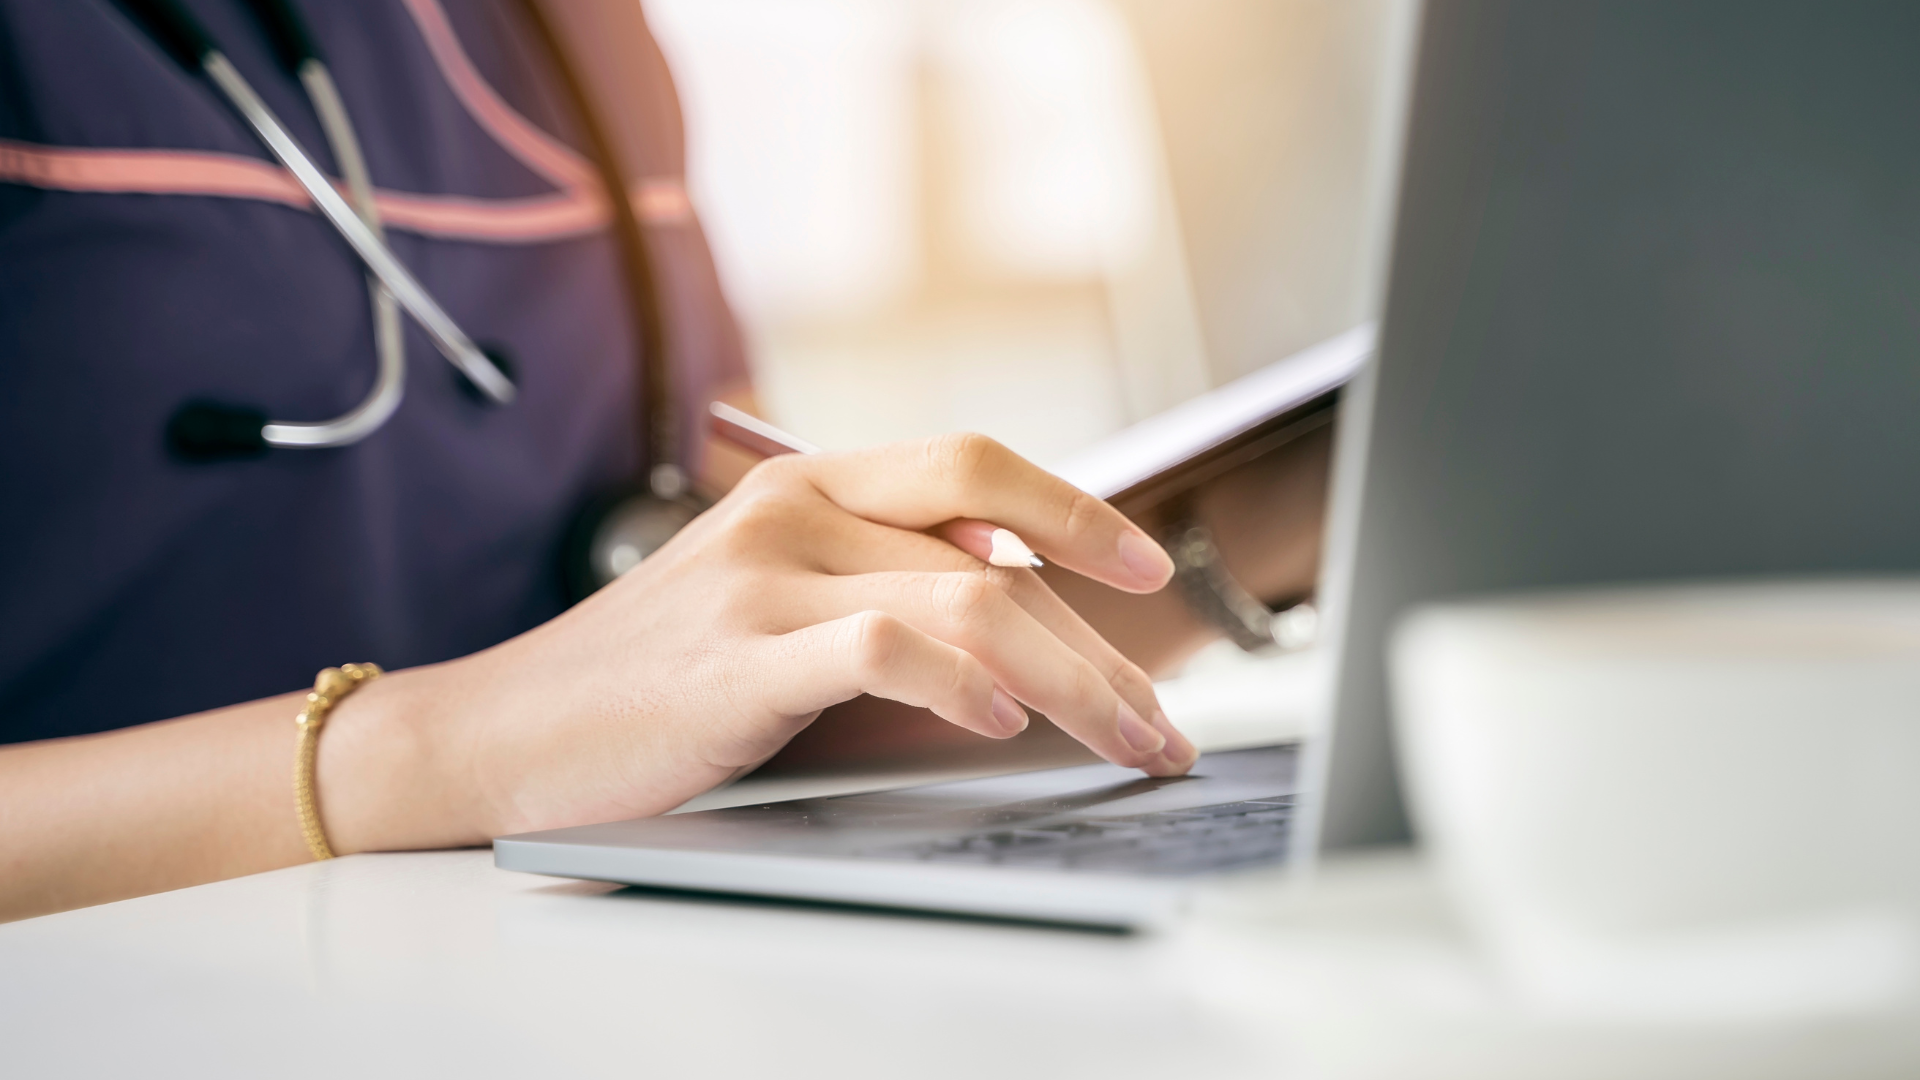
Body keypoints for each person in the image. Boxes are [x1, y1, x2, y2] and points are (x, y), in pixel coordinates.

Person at [0, 0, 1330, 923]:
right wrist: (441, 751)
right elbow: (532, 734)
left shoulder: (578, 39)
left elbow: (703, 686)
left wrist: (1293, 506)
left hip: (531, 977)